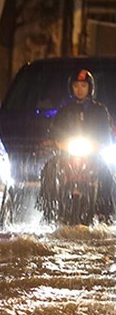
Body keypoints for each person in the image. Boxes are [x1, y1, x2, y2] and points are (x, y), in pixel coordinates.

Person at [40, 69, 114, 220]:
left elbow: (106, 134)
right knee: (48, 170)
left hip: (93, 155)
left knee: (107, 176)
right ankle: (47, 210)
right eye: (76, 86)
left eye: (83, 86)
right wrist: (53, 141)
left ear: (90, 88)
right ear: (71, 88)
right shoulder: (64, 110)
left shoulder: (100, 110)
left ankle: (105, 213)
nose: (79, 90)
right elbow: (54, 131)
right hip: (67, 154)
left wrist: (102, 143)